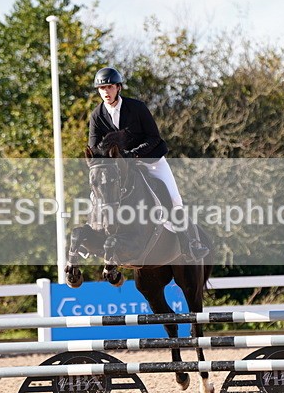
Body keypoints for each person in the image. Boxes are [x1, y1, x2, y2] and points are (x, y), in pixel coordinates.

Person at [88, 66, 210, 262]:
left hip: (149, 160)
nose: (105, 92)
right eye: (101, 89)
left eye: (109, 87)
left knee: (174, 199)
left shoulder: (137, 108)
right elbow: (94, 146)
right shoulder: (97, 115)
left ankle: (190, 243)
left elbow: (154, 137)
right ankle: (93, 237)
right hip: (120, 168)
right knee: (99, 195)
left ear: (118, 88)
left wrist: (134, 154)